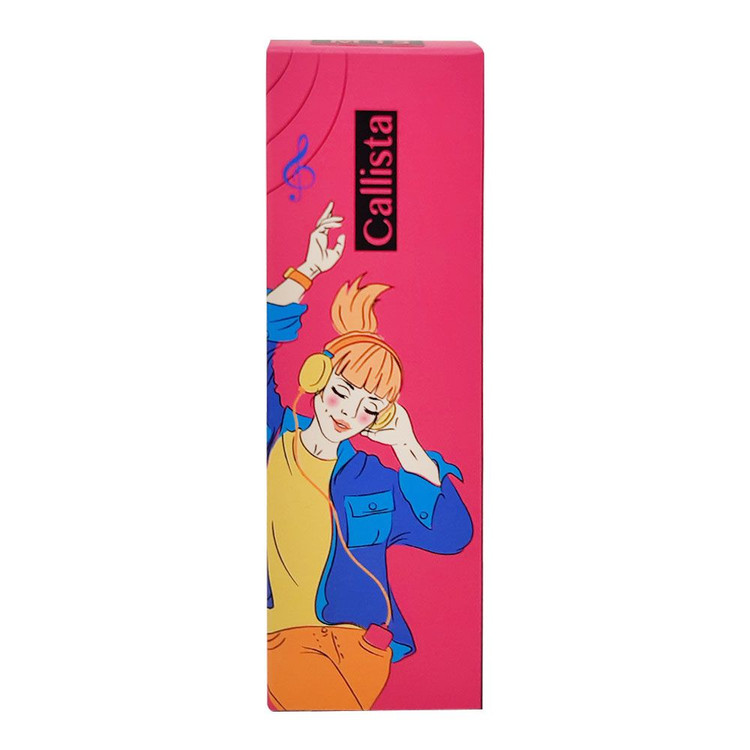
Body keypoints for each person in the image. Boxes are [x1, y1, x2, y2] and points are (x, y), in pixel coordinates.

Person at [266, 202, 473, 711]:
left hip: (357, 646)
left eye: (369, 408)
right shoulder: (271, 434)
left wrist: (408, 447)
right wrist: (306, 271)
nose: (347, 413)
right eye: (341, 392)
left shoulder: (371, 478)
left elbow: (453, 536)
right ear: (316, 378)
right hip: (275, 639)